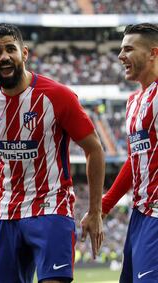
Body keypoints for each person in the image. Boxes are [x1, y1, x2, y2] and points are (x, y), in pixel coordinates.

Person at [0, 23, 105, 283]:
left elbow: (94, 149)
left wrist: (95, 210)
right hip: (6, 212)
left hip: (51, 207)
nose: (4, 56)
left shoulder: (57, 96)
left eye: (10, 49)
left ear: (24, 53)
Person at [99, 23, 158, 282]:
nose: (121, 56)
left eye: (128, 49)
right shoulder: (134, 101)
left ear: (153, 53)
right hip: (139, 214)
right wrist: (105, 204)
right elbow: (136, 159)